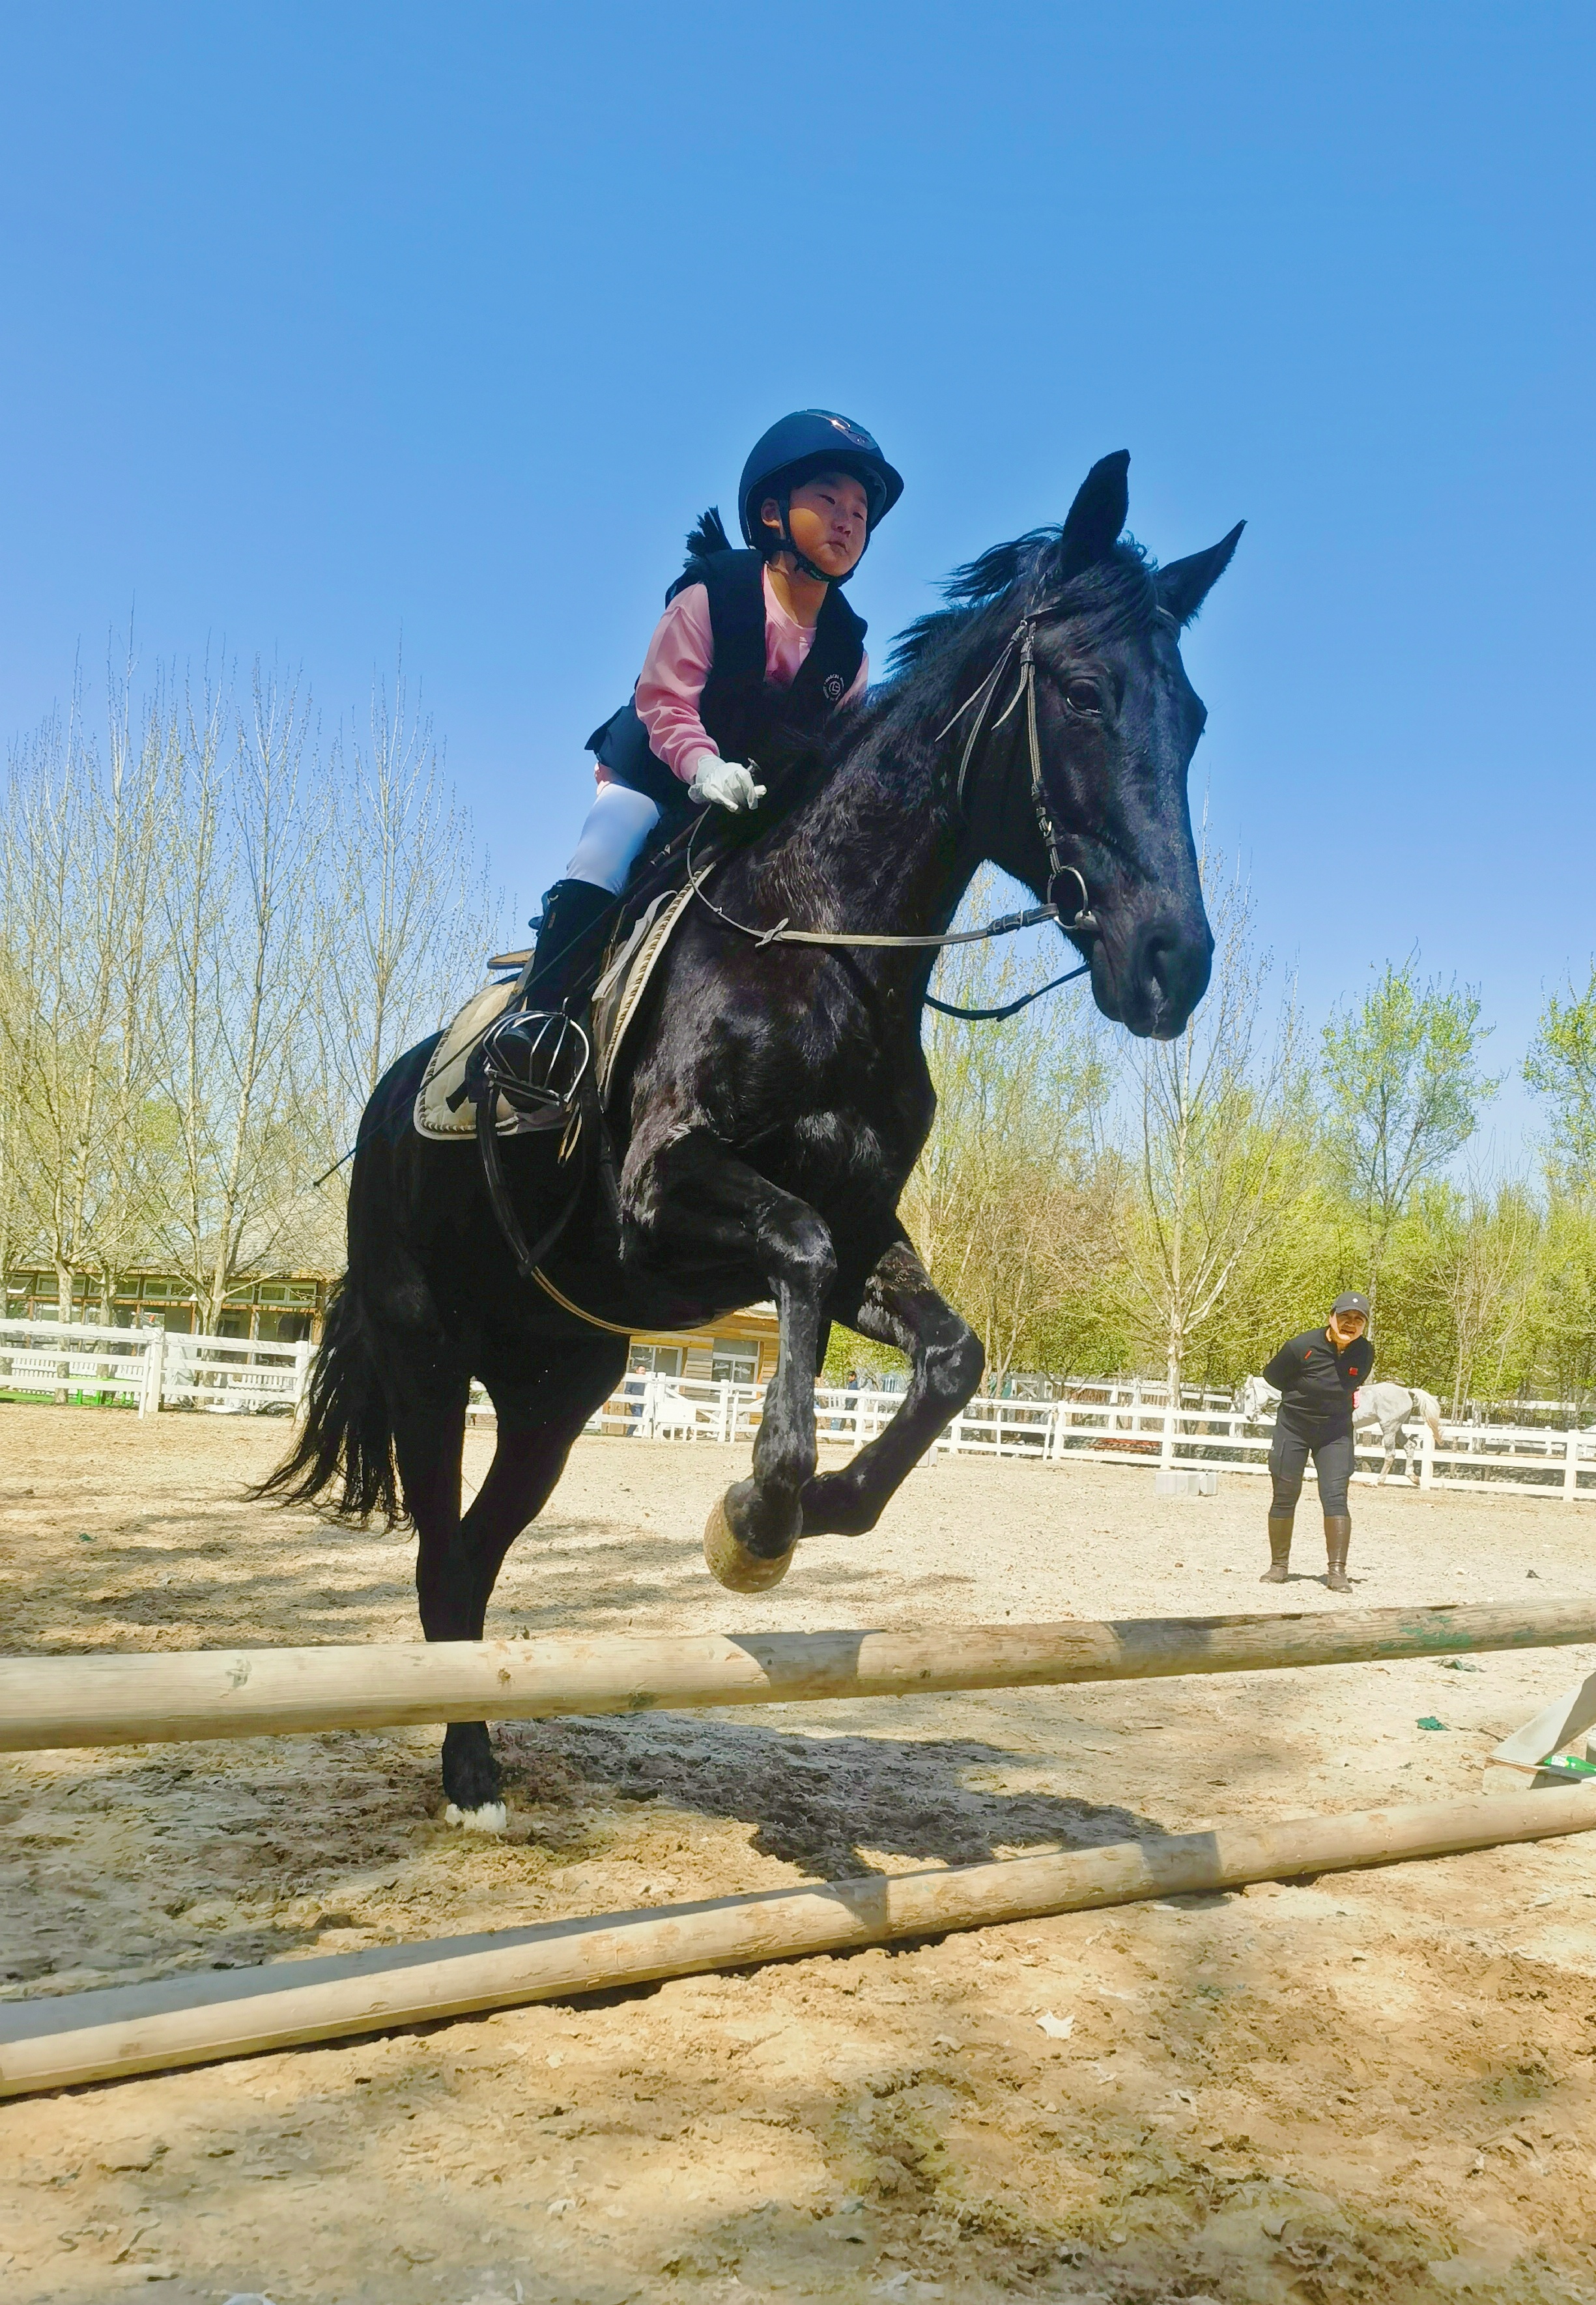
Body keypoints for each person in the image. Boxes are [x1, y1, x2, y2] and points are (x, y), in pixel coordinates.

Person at [502, 410, 904, 1124]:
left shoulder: (849, 655)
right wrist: (704, 768)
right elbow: (664, 704)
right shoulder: (710, 593)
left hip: (746, 808)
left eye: (860, 511)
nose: (847, 520)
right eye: (829, 499)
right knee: (609, 839)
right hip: (654, 777)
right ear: (773, 512)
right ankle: (540, 1026)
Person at [1258, 1292, 1374, 1592]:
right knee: (1285, 1494)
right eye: (1345, 1317)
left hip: (1335, 1433)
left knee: (1336, 1496)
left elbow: (1353, 1382)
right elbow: (1274, 1377)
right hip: (1293, 1429)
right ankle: (1279, 1566)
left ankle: (1337, 1572)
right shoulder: (1300, 1347)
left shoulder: (1365, 1353)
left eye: (1358, 1320)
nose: (1350, 1324)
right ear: (1331, 1317)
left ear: (1364, 1326)